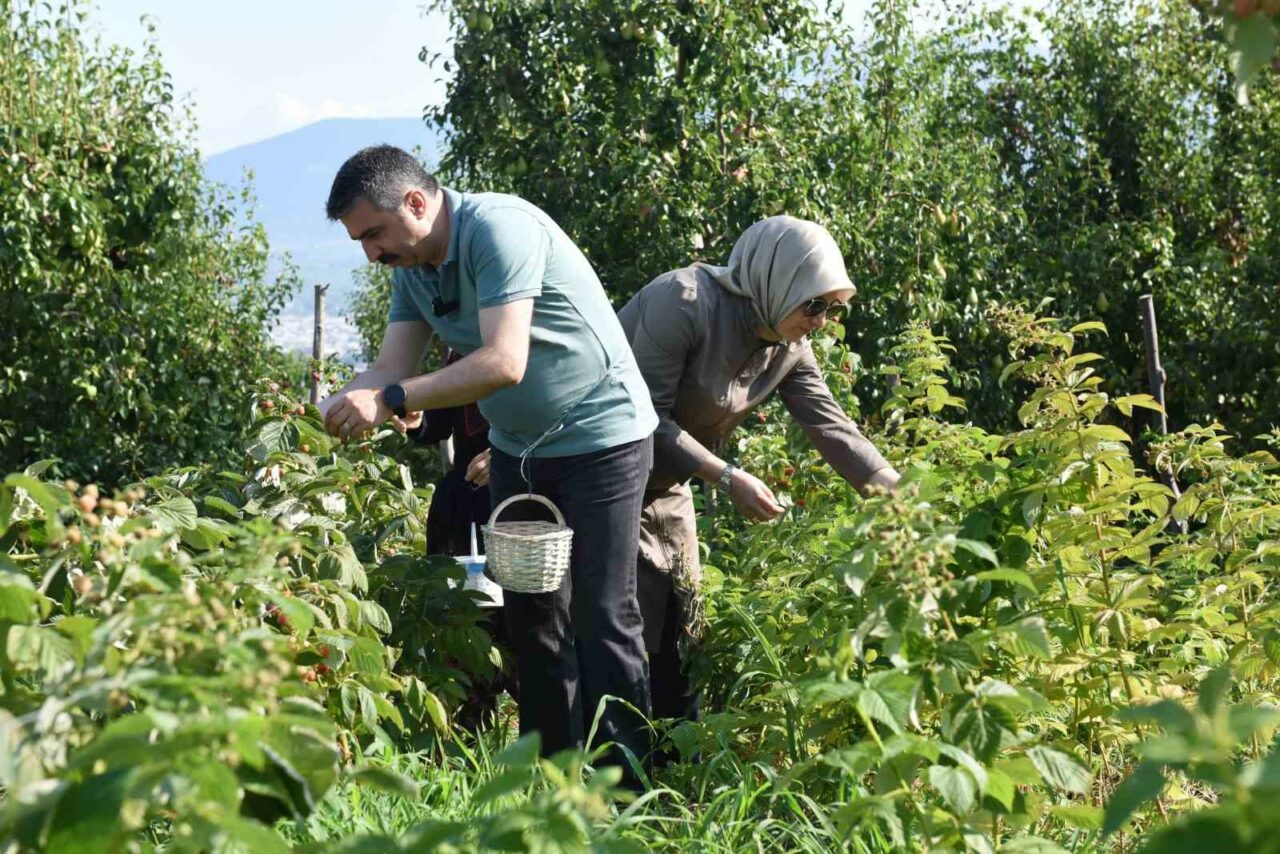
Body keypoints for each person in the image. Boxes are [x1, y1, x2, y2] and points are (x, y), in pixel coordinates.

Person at [319, 145, 658, 773]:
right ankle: (553, 780)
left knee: (602, 613)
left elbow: (505, 362)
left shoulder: (500, 229)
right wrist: (352, 397)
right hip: (518, 453)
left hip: (601, 440)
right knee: (532, 617)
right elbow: (392, 367)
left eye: (374, 234)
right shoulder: (413, 270)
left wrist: (392, 398)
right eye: (359, 241)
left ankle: (631, 790)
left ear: (416, 203)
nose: (370, 254)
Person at [617, 215, 901, 730]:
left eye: (832, 309)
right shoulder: (682, 302)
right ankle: (608, 783)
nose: (820, 319)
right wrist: (727, 477)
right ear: (775, 278)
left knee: (683, 641)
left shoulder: (790, 348)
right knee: (622, 636)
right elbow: (643, 417)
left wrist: (905, 500)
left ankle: (680, 784)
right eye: (813, 303)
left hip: (667, 486)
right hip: (602, 479)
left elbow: (834, 430)